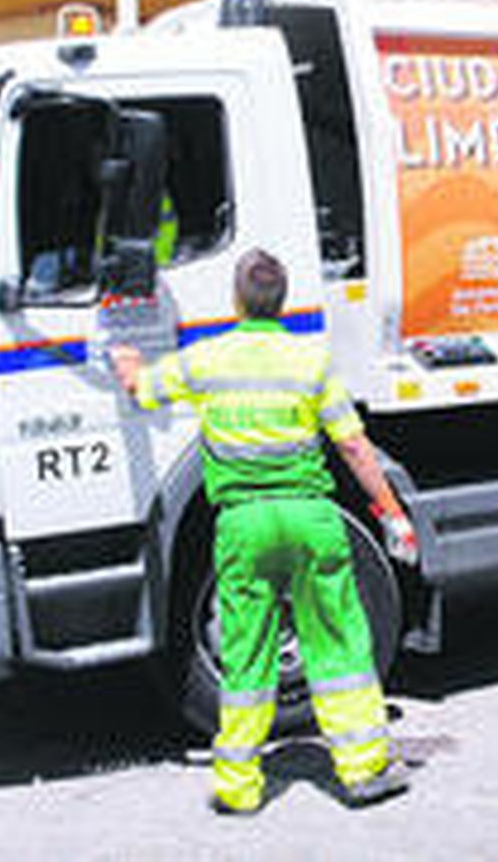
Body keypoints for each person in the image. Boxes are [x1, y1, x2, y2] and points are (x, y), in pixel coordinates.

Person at [110, 247, 419, 814]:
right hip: (310, 518)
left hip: (243, 524)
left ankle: (237, 785)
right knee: (339, 647)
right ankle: (363, 768)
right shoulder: (311, 361)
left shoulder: (208, 359)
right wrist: (390, 511)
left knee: (247, 654)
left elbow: (143, 388)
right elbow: (352, 444)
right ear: (281, 300)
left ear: (236, 299)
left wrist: (123, 358)